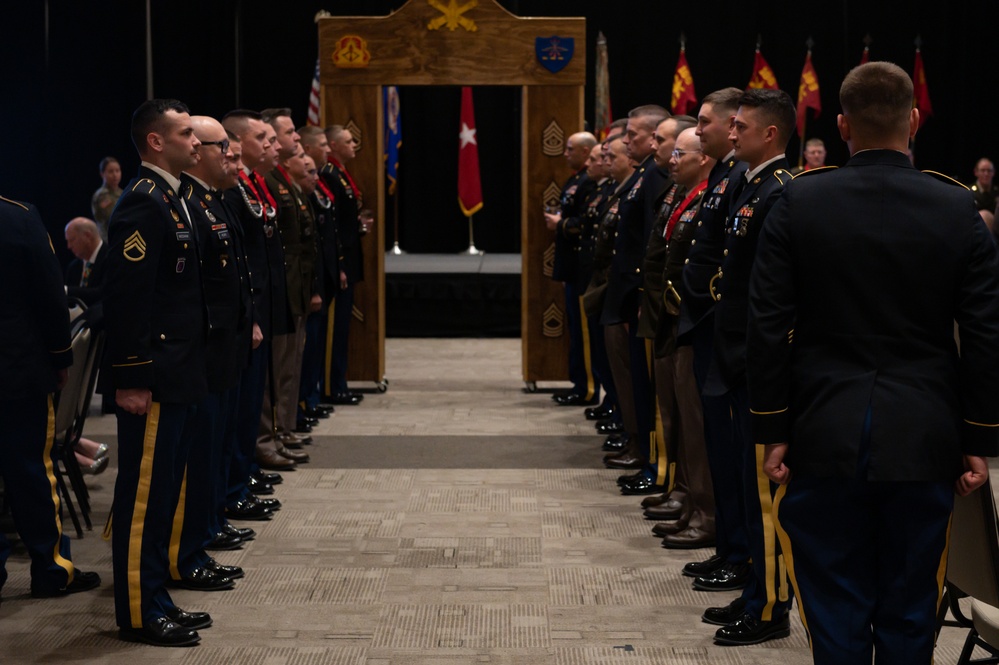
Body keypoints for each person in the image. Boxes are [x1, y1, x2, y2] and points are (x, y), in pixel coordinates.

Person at [748, 60, 999, 665]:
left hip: (822, 430)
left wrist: (772, 429)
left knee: (834, 599)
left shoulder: (797, 201)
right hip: (923, 433)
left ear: (841, 125)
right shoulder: (957, 208)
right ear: (914, 121)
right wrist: (978, 438)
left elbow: (765, 325)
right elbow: (986, 335)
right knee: (912, 604)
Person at [102, 98, 212, 647]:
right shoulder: (144, 203)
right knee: (144, 496)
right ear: (156, 142)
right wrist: (132, 375)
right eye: (187, 133)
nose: (197, 142)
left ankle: (157, 596)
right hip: (154, 375)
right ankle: (140, 611)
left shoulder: (173, 198)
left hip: (179, 370)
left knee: (165, 489)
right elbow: (127, 298)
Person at [0, 193, 101, 602]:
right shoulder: (18, 217)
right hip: (16, 369)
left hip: (17, 368)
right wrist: (61, 357)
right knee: (32, 474)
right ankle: (51, 569)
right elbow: (49, 293)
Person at [671, 87, 747, 591]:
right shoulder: (723, 177)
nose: (698, 131)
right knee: (716, 447)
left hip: (724, 330)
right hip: (702, 323)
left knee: (731, 451)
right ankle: (731, 549)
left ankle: (740, 555)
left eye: (706, 122)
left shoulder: (744, 179)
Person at [645, 126, 716, 553]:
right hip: (670, 316)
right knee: (678, 415)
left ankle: (704, 510)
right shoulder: (683, 197)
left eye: (681, 153)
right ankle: (688, 495)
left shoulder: (708, 196)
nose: (671, 159)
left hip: (690, 320)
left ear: (701, 158)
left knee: (693, 420)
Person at [601, 105, 670, 474]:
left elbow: (649, 244)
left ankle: (646, 453)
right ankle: (636, 443)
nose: (626, 140)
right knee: (630, 380)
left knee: (643, 386)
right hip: (626, 296)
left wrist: (642, 299)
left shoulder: (655, 177)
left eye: (634, 135)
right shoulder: (644, 175)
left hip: (637, 300)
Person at [545, 131, 599, 407]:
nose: (565, 153)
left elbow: (586, 224)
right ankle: (579, 383)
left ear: (587, 151)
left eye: (570, 149)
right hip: (571, 268)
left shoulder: (589, 183)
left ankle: (588, 387)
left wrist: (561, 224)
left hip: (582, 269)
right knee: (576, 331)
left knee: (585, 334)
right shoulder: (576, 180)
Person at [320, 125, 365, 406]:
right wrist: (340, 265)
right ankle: (331, 386)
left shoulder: (341, 174)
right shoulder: (329, 175)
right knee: (334, 329)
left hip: (348, 256)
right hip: (340, 262)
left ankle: (339, 382)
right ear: (333, 145)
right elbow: (333, 226)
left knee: (343, 327)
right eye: (348, 142)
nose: (354, 146)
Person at [62, 216, 111, 472]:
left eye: (72, 240)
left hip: (101, 336)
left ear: (88, 236)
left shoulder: (110, 258)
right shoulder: (74, 267)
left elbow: (103, 296)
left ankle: (72, 447)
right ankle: (78, 446)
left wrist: (67, 291)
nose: (69, 247)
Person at [91, 156, 123, 241]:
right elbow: (112, 217)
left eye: (117, 171)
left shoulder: (122, 193)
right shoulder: (101, 195)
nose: (115, 175)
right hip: (107, 240)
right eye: (110, 171)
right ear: (102, 174)